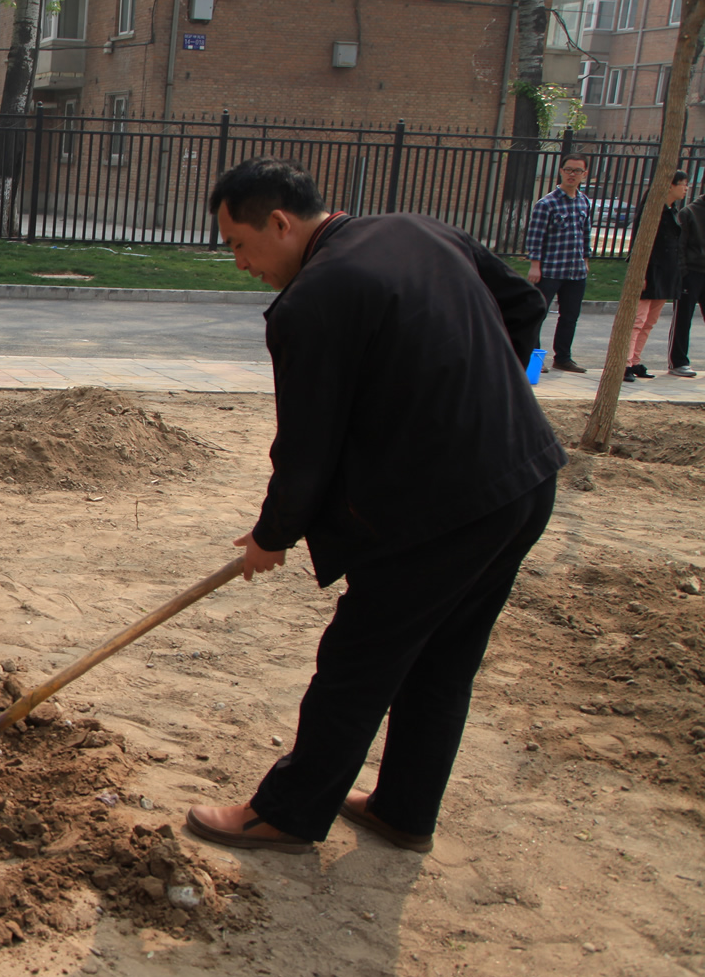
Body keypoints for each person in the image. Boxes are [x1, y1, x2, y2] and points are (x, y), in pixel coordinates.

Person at [187, 159, 564, 857]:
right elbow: (524, 306)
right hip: (525, 477)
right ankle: (404, 808)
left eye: (239, 243)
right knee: (444, 658)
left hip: (443, 511)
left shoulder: (313, 302)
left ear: (281, 222)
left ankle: (287, 813)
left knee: (359, 657)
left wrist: (273, 535)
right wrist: (480, 398)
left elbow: (306, 447)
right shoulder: (423, 231)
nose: (240, 263)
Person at [525, 153, 595, 373]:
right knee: (539, 314)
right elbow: (535, 236)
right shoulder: (546, 203)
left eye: (577, 171)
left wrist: (585, 258)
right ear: (561, 171)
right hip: (550, 270)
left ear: (585, 174)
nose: (572, 174)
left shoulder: (584, 201)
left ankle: (563, 358)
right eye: (568, 170)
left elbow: (585, 233)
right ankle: (533, 358)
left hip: (575, 271)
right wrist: (535, 265)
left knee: (570, 316)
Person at [626, 172, 688, 381]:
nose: (686, 188)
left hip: (667, 273)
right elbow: (642, 242)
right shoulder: (652, 210)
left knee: (650, 321)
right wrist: (641, 272)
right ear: (669, 186)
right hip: (651, 271)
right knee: (638, 320)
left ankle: (635, 361)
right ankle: (624, 363)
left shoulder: (671, 210)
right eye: (683, 184)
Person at [671, 186, 705, 378]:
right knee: (683, 318)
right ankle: (679, 361)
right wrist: (682, 272)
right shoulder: (689, 212)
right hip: (692, 272)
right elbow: (680, 245)